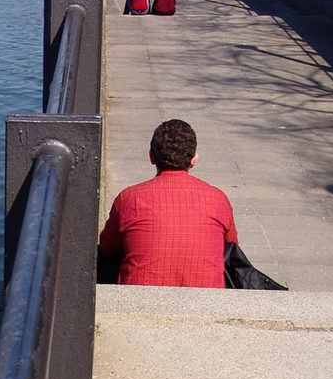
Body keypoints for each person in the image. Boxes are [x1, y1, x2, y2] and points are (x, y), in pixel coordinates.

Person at [98, 119, 238, 287]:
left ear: (151, 157)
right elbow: (231, 248)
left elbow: (107, 248)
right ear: (194, 159)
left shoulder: (129, 198)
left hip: (139, 302)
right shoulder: (217, 199)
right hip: (207, 304)